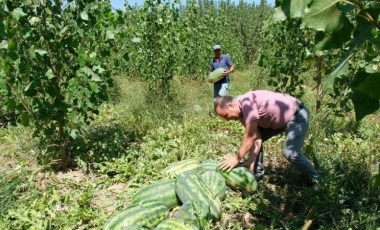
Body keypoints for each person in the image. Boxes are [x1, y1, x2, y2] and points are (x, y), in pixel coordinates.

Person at [215, 90, 321, 189]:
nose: (228, 119)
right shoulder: (241, 113)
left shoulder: (247, 103)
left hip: (297, 115)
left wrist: (236, 158)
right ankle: (257, 175)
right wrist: (251, 160)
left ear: (230, 105)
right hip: (279, 121)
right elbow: (256, 137)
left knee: (291, 153)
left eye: (226, 115)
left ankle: (316, 179)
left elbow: (250, 136)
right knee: (251, 141)